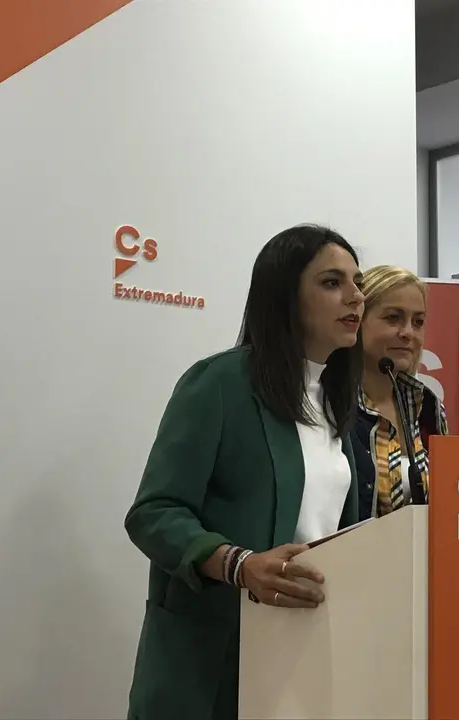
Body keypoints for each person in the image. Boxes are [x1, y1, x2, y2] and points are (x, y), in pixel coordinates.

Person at [123, 224, 366, 720]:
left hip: (304, 649)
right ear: (284, 295)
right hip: (214, 660)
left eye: (357, 282)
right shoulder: (219, 383)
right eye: (331, 282)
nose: (355, 297)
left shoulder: (340, 402)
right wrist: (239, 564)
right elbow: (154, 512)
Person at [350, 265, 448, 521]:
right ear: (357, 321)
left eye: (418, 322)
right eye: (393, 318)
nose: (408, 333)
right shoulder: (332, 404)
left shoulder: (427, 405)